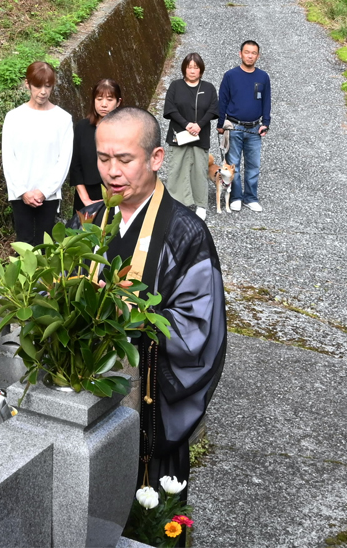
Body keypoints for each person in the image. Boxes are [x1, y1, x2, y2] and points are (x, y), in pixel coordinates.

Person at [72, 106, 226, 494]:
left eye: (125, 159)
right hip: (85, 400)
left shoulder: (186, 234)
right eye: (103, 158)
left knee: (148, 518)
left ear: (156, 158)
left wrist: (130, 312)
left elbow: (198, 327)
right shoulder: (88, 218)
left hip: (149, 406)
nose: (111, 171)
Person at [0, 61, 73, 246]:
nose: (43, 91)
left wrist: (44, 191)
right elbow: (9, 158)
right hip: (19, 193)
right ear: (28, 84)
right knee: (23, 242)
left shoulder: (63, 119)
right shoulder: (14, 117)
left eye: (48, 86)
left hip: (48, 195)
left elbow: (63, 161)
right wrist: (23, 191)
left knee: (44, 244)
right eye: (38, 86)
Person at [163, 54, 219, 221]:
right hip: (179, 135)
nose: (192, 70)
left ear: (201, 69)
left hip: (200, 135)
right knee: (176, 169)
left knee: (199, 170)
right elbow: (170, 109)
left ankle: (201, 205)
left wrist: (199, 125)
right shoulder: (175, 86)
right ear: (184, 69)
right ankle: (175, 203)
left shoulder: (208, 88)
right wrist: (187, 124)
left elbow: (213, 109)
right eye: (189, 67)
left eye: (196, 67)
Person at [216, 40, 270, 212]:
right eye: (247, 52)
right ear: (240, 54)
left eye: (253, 53)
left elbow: (266, 101)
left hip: (255, 128)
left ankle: (251, 197)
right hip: (234, 126)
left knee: (253, 164)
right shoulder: (230, 75)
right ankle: (236, 197)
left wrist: (266, 123)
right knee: (234, 165)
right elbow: (222, 100)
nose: (250, 55)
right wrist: (220, 123)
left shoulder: (263, 77)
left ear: (258, 56)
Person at [70, 79, 122, 214]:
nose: (104, 104)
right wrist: (86, 200)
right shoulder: (82, 127)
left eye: (109, 99)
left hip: (117, 194)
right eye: (99, 99)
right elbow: (75, 166)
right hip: (86, 194)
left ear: (118, 102)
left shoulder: (125, 130)